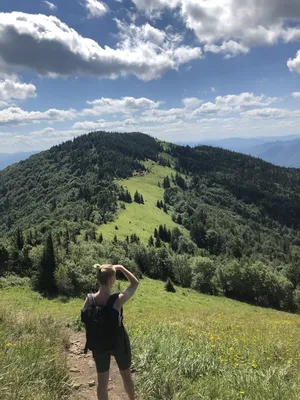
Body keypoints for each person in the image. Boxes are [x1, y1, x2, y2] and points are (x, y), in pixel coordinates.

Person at [82, 264, 139, 400]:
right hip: (118, 342)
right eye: (114, 277)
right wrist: (121, 268)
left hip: (98, 345)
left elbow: (84, 318)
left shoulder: (89, 300)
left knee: (102, 383)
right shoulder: (117, 300)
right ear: (110, 281)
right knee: (126, 376)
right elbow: (134, 283)